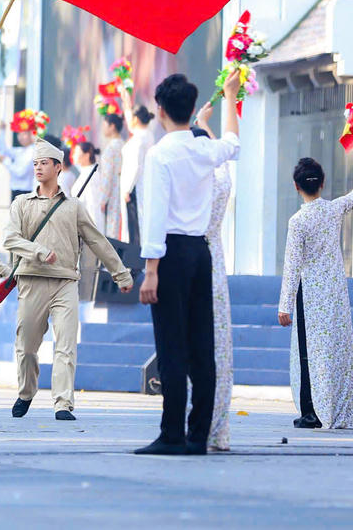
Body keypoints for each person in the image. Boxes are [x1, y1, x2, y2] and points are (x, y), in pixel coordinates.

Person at [135, 70, 241, 455]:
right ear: (193, 109)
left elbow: (156, 216)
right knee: (201, 345)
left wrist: (150, 271)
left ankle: (172, 433)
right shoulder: (202, 149)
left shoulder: (160, 154)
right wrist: (230, 95)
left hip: (171, 253)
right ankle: (198, 435)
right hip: (201, 252)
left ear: (159, 110)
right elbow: (232, 142)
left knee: (171, 344)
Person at [2, 139, 133, 421]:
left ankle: (63, 402)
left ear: (59, 167)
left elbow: (97, 241)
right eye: (35, 164)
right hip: (31, 280)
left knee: (66, 345)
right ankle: (26, 392)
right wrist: (38, 251)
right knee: (26, 347)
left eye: (44, 163)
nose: (38, 168)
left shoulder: (73, 206)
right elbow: (10, 238)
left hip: (65, 282)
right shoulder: (21, 203)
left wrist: (120, 272)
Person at [278, 145, 353, 430]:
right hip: (335, 291)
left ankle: (311, 412)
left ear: (296, 186)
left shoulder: (298, 221)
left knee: (308, 352)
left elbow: (292, 265)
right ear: (323, 182)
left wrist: (284, 305)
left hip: (310, 295)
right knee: (335, 349)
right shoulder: (333, 209)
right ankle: (338, 406)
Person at [192, 106, 235, 451]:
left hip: (191, 259)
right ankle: (218, 428)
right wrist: (207, 125)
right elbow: (228, 149)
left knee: (192, 346)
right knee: (219, 345)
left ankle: (195, 424)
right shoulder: (221, 181)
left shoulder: (190, 185)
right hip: (215, 260)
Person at [121, 98, 157, 245]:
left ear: (135, 119)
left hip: (134, 186)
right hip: (141, 184)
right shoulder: (147, 135)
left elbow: (136, 165)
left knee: (134, 224)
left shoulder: (139, 139)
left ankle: (135, 262)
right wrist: (126, 100)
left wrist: (128, 189)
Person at [96, 113, 125, 240]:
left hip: (112, 193)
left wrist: (102, 200)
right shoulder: (124, 145)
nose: (102, 129)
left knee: (111, 232)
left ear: (112, 126)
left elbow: (107, 176)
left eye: (104, 125)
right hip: (123, 191)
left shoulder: (110, 148)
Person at [0, 121, 36, 201]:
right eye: (19, 134)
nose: (20, 137)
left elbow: (20, 172)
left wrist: (5, 161)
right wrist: (2, 131)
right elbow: (3, 151)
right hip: (16, 191)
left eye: (24, 134)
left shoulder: (32, 152)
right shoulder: (20, 150)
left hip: (24, 192)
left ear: (31, 134)